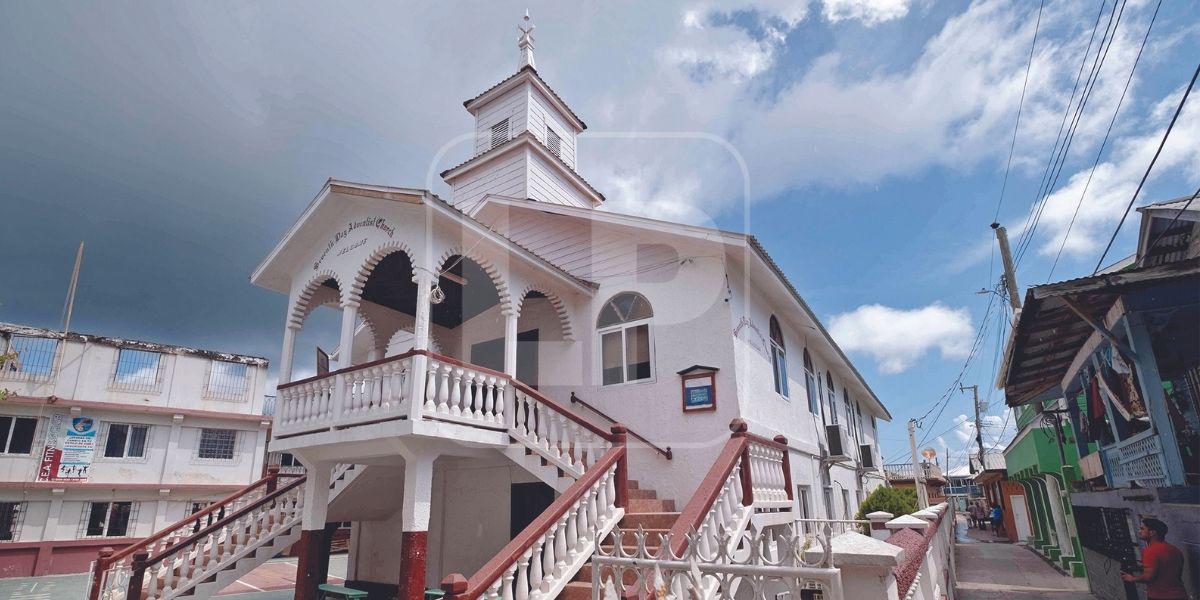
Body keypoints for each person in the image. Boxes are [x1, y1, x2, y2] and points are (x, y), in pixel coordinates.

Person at [1122, 518, 1188, 600]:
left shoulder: (1150, 551)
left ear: (1153, 532)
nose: (1139, 531)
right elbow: (1168, 570)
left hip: (1159, 596)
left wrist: (1132, 578)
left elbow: (1148, 577)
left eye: (1142, 529)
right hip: (1180, 595)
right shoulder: (1175, 550)